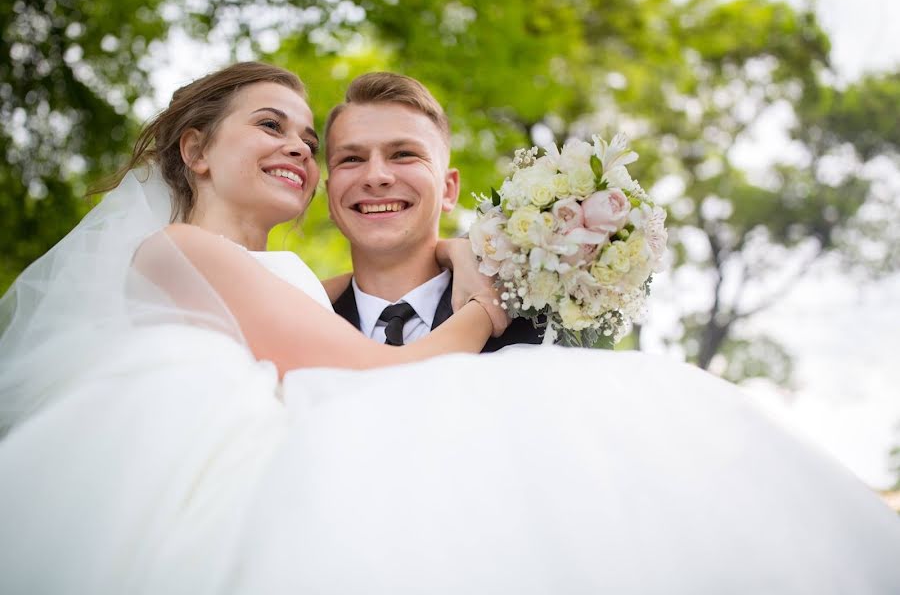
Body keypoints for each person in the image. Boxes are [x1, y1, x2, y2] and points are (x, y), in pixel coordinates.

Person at [1, 62, 899, 595]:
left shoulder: (517, 319)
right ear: (196, 150)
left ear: (453, 184)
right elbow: (355, 374)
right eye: (343, 155)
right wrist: (478, 308)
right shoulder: (194, 256)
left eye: (399, 155)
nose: (350, 170)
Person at [325, 72, 542, 350]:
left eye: (403, 154)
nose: (375, 175)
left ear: (449, 190)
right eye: (351, 159)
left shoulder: (535, 320)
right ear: (330, 195)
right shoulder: (294, 323)